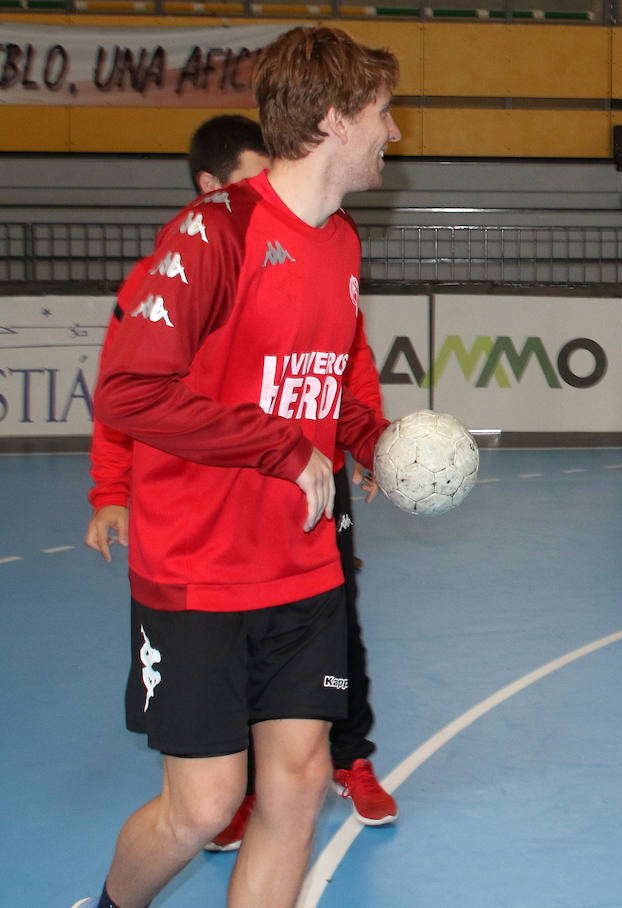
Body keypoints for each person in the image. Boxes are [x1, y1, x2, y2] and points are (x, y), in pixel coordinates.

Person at [72, 25, 400, 908]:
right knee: (204, 804)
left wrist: (370, 440)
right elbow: (130, 393)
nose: (392, 133)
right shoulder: (216, 233)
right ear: (333, 120)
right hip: (198, 575)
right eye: (381, 113)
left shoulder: (342, 242)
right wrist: (281, 447)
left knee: (293, 796)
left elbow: (331, 373)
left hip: (303, 568)